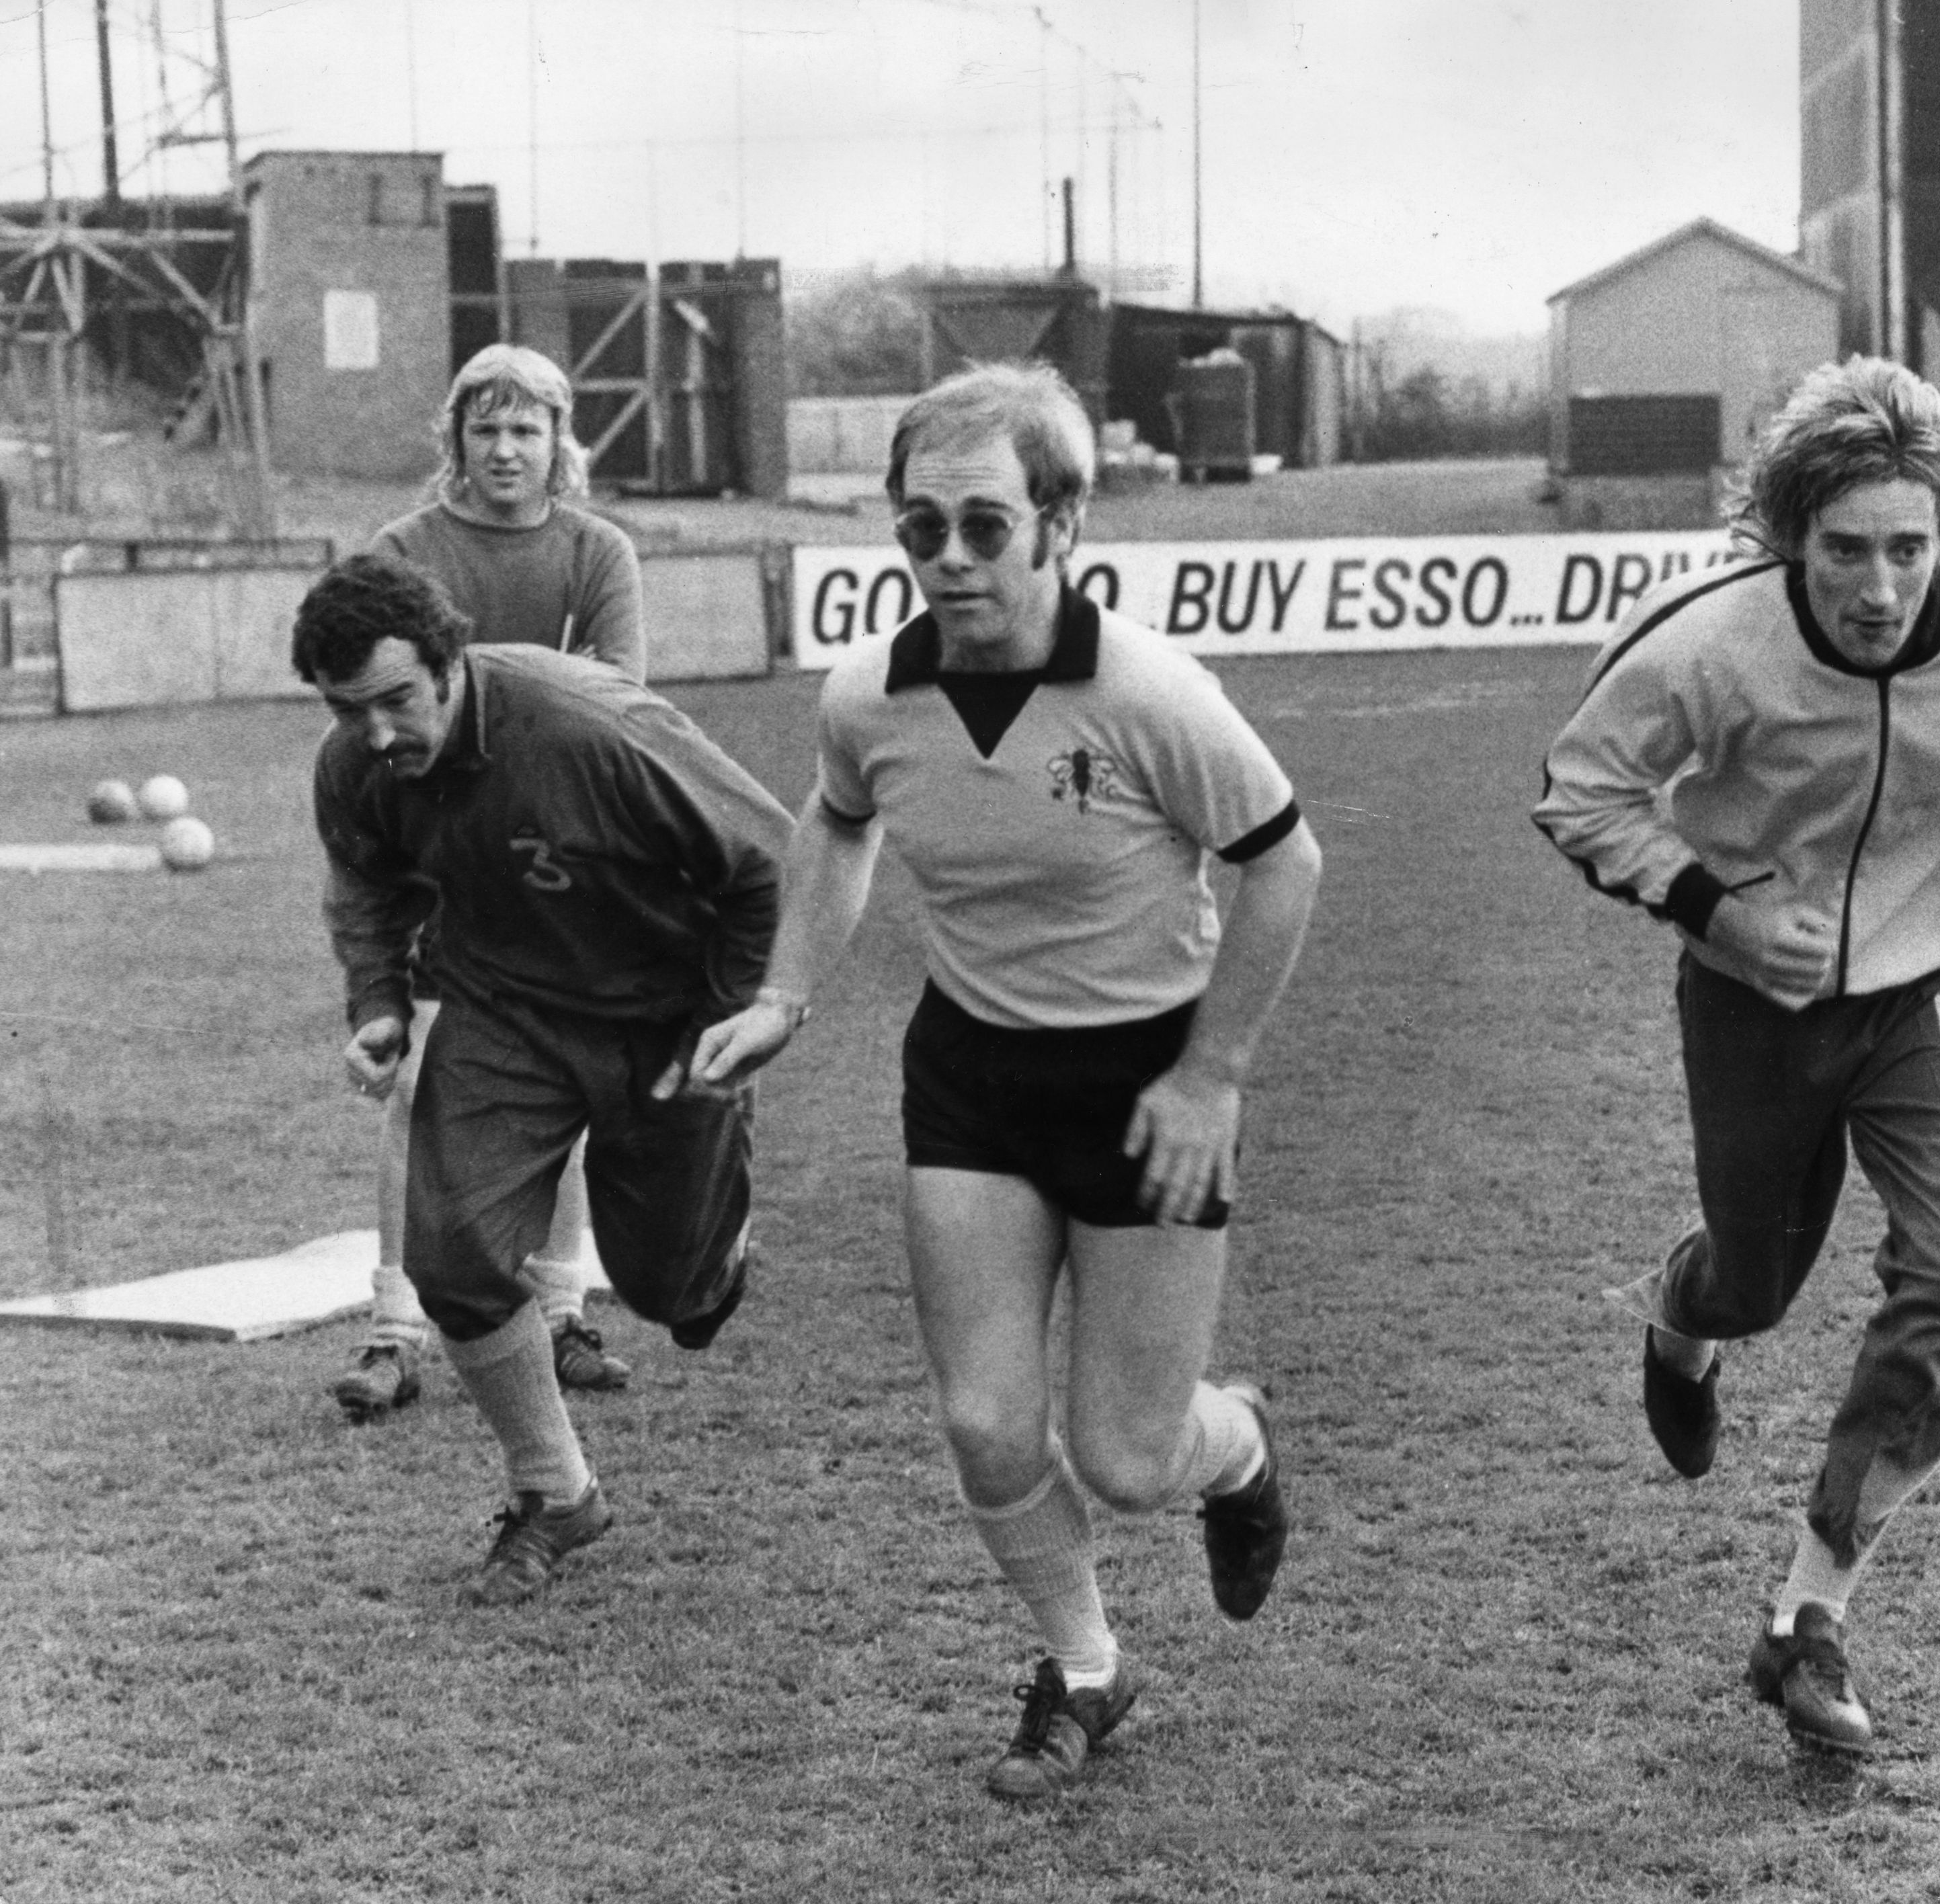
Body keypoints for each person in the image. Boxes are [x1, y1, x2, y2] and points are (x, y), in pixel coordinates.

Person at [687, 362, 1323, 1800]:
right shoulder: (869, 695)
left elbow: (1283, 860)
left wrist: (1214, 1074)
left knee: (1128, 1452)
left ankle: (1238, 1450)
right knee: (983, 1419)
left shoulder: (1147, 691)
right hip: (971, 1073)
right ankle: (1089, 1670)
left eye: (985, 524)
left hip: (1150, 1078)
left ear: (1060, 525)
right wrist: (786, 991)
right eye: (921, 530)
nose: (951, 560)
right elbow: (836, 825)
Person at [1533, 356, 1940, 1755]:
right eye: (1846, 550)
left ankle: (1810, 1612)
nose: (1879, 587)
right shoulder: (1700, 643)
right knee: (1753, 1285)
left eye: (1910, 547)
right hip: (1756, 1001)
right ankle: (1682, 1315)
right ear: (1786, 538)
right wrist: (1719, 913)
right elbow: (1580, 791)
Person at [298, 550, 791, 1604]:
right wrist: (379, 1001)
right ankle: (554, 1491)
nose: (377, 734)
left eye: (396, 700)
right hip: (503, 1012)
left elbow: (768, 861)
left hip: (665, 1019)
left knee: (672, 1292)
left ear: (450, 661)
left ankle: (715, 1251)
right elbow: (367, 885)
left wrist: (739, 1013)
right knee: (454, 1253)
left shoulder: (586, 726)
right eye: (350, 710)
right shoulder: (354, 764)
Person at [334, 343, 648, 1423]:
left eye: (528, 429)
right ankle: (390, 1327)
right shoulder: (405, 548)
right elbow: (380, 708)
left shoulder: (596, 550)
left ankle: (561, 1314)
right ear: (456, 440)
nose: (506, 448)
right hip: (434, 847)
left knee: (566, 1080)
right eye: (486, 428)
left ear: (560, 442)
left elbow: (616, 708)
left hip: (564, 846)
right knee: (421, 1087)